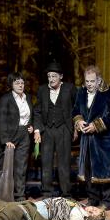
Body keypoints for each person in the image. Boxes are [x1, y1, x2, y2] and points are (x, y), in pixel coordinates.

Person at [72, 65, 110, 210]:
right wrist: (79, 121)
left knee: (105, 171)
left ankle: (107, 201)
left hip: (104, 140)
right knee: (89, 170)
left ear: (99, 80)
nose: (89, 84)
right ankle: (92, 198)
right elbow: (76, 109)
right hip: (87, 140)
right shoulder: (81, 92)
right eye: (87, 81)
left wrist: (97, 125)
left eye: (92, 81)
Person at [32, 61, 77, 198]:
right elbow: (37, 111)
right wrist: (38, 130)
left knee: (64, 163)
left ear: (61, 76)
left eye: (54, 76)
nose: (51, 79)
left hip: (64, 129)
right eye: (49, 76)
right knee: (46, 162)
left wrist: (75, 128)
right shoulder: (42, 90)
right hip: (47, 130)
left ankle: (66, 194)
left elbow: (77, 109)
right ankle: (47, 193)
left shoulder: (70, 89)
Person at [0, 72, 37, 202]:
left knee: (21, 167)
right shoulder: (5, 99)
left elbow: (30, 115)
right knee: (5, 166)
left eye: (22, 83)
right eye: (17, 82)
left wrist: (31, 125)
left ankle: (20, 195)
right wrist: (6, 139)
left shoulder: (27, 97)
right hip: (10, 135)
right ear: (11, 84)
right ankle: (4, 196)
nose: (20, 85)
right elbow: (0, 120)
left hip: (24, 134)